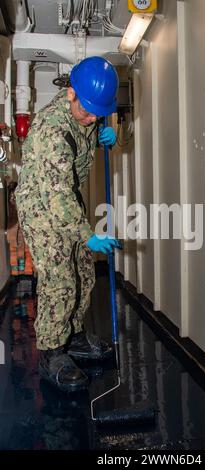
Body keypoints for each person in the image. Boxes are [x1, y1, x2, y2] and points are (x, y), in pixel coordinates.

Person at [15, 56, 122, 393]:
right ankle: (50, 352)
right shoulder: (51, 129)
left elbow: (88, 128)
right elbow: (57, 195)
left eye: (98, 113)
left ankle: (73, 336)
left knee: (83, 274)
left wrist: (105, 133)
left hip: (66, 202)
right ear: (71, 93)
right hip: (43, 208)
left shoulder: (85, 115)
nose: (92, 118)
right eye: (88, 111)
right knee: (60, 280)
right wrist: (87, 235)